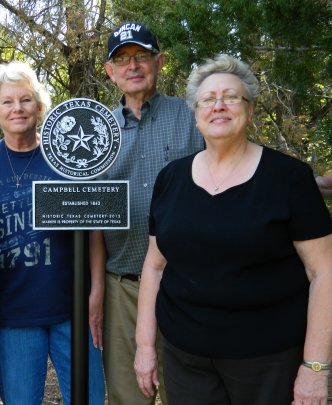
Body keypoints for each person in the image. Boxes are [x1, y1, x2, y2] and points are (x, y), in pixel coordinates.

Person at [134, 54, 332, 405]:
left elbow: (324, 272)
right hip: (186, 361)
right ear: (196, 115)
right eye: (208, 99)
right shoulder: (172, 179)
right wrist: (145, 347)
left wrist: (315, 369)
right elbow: (154, 265)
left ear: (250, 110)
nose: (219, 105)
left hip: (268, 363)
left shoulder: (289, 178)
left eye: (231, 97)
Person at [0, 61, 105, 405]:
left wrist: (96, 292)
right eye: (7, 102)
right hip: (11, 318)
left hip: (74, 311)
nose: (17, 109)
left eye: (25, 100)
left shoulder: (68, 157)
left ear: (40, 107)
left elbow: (95, 224)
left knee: (90, 399)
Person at [89, 22, 204, 404]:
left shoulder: (192, 117)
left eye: (141, 56)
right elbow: (91, 214)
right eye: (122, 59)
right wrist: (98, 288)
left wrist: (312, 182)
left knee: (187, 395)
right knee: (127, 397)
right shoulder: (96, 132)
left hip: (186, 283)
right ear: (110, 72)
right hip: (123, 285)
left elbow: (236, 168)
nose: (132, 65)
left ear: (160, 61)